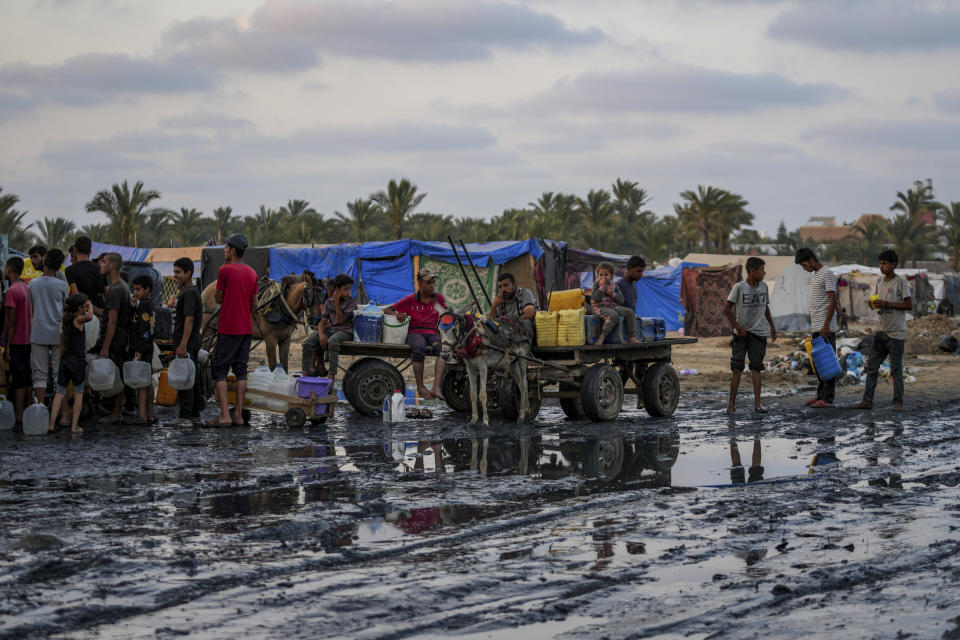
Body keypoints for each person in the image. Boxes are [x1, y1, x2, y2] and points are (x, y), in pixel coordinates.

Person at [852, 249, 912, 413]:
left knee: (896, 369)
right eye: (880, 263)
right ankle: (867, 401)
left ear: (893, 265)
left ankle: (898, 402)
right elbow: (880, 303)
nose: (882, 266)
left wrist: (886, 303)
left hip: (896, 333)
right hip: (882, 331)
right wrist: (875, 304)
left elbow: (908, 305)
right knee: (872, 367)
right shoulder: (879, 282)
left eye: (884, 263)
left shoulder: (900, 282)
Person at [208, 234, 257, 427]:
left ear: (233, 251)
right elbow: (254, 303)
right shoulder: (252, 273)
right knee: (241, 370)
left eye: (226, 248)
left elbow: (219, 298)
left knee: (219, 369)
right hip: (246, 327)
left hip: (229, 327)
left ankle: (224, 416)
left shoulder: (224, 270)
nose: (225, 251)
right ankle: (237, 414)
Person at [722, 257, 777, 414]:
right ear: (752, 271)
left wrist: (772, 326)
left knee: (756, 367)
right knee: (737, 368)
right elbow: (726, 309)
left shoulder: (764, 287)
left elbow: (765, 307)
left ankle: (758, 404)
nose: (764, 273)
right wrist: (738, 327)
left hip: (759, 333)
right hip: (741, 334)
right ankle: (731, 404)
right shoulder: (739, 288)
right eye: (761, 270)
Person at [384, 268, 447, 400]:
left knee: (443, 350)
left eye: (433, 282)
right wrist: (397, 314)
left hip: (433, 333)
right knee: (419, 347)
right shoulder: (410, 299)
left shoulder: (439, 299)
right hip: (415, 332)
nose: (432, 286)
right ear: (420, 283)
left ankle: (436, 386)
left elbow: (446, 315)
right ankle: (420, 386)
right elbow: (387, 310)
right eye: (428, 282)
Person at [795, 248, 838, 408]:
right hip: (817, 325)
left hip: (825, 326)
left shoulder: (827, 273)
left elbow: (833, 300)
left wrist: (826, 325)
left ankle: (827, 399)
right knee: (819, 363)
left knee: (828, 362)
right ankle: (820, 395)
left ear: (812, 260)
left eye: (805, 264)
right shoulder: (815, 275)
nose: (804, 268)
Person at [48, 294, 93, 434]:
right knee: (78, 393)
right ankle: (74, 427)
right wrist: (91, 306)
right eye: (84, 306)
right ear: (80, 308)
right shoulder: (78, 319)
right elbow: (90, 317)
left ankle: (50, 425)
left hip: (65, 360)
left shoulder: (66, 320)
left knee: (59, 392)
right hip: (77, 362)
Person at [29, 248, 69, 408]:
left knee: (39, 374)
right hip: (58, 333)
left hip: (38, 332)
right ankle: (61, 412)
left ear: (44, 261)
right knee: (59, 373)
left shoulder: (32, 284)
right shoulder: (62, 285)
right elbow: (65, 309)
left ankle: (41, 409)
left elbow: (32, 308)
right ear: (59, 267)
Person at [96, 253, 132, 424]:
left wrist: (105, 346)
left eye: (103, 262)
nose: (100, 265)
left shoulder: (116, 289)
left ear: (112, 266)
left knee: (116, 375)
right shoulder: (123, 286)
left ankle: (116, 412)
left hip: (116, 338)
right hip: (122, 337)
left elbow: (112, 320)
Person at [171, 257, 204, 426]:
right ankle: (194, 415)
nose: (175, 275)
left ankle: (185, 416)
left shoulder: (190, 292)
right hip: (187, 341)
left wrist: (183, 344)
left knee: (186, 378)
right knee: (192, 377)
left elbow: (189, 320)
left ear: (188, 273)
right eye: (174, 271)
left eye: (178, 272)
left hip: (187, 342)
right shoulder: (185, 291)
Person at [3, 257, 33, 424]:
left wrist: (7, 346)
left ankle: (19, 414)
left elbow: (12, 322)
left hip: (17, 341)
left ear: (10, 270)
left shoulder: (11, 292)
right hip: (29, 340)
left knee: (19, 379)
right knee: (27, 376)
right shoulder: (26, 287)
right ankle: (28, 410)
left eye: (5, 267)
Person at [313, 274, 357, 384]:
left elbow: (340, 321)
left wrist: (337, 303)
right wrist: (321, 334)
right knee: (309, 341)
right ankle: (307, 373)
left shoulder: (351, 302)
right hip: (332, 329)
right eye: (346, 289)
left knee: (332, 341)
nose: (348, 292)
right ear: (337, 290)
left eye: (349, 289)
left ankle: (331, 376)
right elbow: (322, 322)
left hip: (345, 331)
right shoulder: (328, 301)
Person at [128, 274, 156, 425]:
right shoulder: (148, 303)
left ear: (147, 289)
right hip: (148, 346)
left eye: (138, 289)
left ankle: (142, 415)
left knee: (142, 382)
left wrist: (138, 349)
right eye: (134, 289)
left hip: (142, 347)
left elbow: (144, 328)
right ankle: (150, 414)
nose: (135, 292)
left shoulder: (144, 305)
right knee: (148, 380)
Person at [590, 262, 639, 345]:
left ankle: (632, 337)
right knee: (613, 315)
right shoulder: (596, 285)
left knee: (629, 312)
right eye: (601, 275)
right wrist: (602, 288)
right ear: (597, 275)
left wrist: (611, 293)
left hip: (612, 306)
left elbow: (621, 300)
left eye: (606, 275)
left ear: (611, 276)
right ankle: (602, 337)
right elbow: (596, 299)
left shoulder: (614, 286)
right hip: (599, 308)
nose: (603, 277)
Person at [489, 272, 538, 342]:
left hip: (523, 330)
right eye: (500, 287)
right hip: (508, 332)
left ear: (514, 284)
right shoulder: (500, 299)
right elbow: (492, 321)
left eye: (506, 285)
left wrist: (511, 323)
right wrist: (493, 306)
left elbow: (530, 314)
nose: (503, 289)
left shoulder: (524, 293)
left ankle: (524, 349)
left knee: (526, 322)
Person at [301, 278, 336, 377]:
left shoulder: (331, 300)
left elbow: (335, 320)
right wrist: (321, 328)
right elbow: (324, 318)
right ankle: (309, 369)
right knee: (311, 340)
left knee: (319, 338)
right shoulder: (328, 300)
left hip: (335, 329)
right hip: (325, 325)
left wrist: (323, 326)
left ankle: (318, 365)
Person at [65, 236, 104, 316]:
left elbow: (77, 296)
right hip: (100, 312)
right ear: (90, 251)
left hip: (83, 314)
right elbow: (106, 293)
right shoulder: (100, 268)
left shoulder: (70, 270)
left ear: (75, 250)